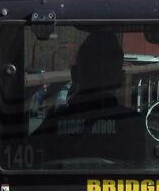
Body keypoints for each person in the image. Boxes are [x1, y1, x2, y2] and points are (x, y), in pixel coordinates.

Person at [34, 32, 144, 162]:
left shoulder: (53, 123)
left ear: (74, 74)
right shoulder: (133, 124)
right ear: (121, 78)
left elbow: (30, 157)